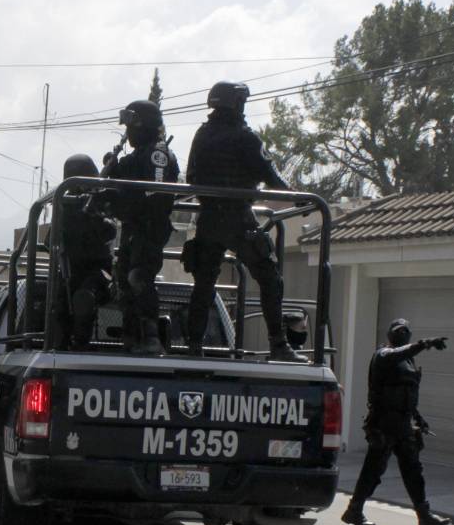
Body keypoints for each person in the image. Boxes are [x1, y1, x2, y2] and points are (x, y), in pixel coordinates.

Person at [184, 81, 304, 363]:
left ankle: (193, 347)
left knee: (204, 283)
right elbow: (271, 175)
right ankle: (278, 344)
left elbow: (191, 177)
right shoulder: (245, 137)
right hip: (238, 218)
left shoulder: (201, 135)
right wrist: (298, 197)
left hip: (208, 218)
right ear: (236, 104)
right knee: (269, 276)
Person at [342, 319, 451, 525]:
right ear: (390, 334)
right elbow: (395, 355)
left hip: (403, 423)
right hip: (383, 423)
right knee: (373, 470)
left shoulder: (408, 360)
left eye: (406, 331)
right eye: (398, 331)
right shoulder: (384, 354)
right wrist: (425, 343)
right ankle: (354, 510)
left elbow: (408, 392)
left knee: (413, 470)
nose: (403, 334)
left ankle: (424, 515)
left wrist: (418, 417)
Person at [102, 99, 180, 355]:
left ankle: (151, 337)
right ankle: (131, 335)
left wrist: (123, 201)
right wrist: (110, 172)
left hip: (149, 227)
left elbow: (155, 194)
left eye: (132, 127)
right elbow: (115, 184)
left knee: (139, 278)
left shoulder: (158, 154)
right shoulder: (134, 156)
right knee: (123, 281)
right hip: (132, 228)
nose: (128, 133)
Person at [54, 154, 117, 350]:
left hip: (99, 274)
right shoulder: (66, 206)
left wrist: (93, 214)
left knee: (84, 297)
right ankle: (63, 344)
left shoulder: (98, 201)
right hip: (71, 272)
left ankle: (81, 344)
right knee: (59, 305)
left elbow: (109, 231)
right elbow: (51, 241)